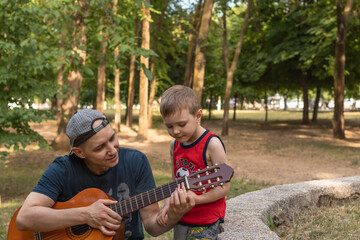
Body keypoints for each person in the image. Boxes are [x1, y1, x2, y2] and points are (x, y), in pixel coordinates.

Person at [15, 109, 195, 239]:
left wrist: (173, 215)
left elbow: (153, 227)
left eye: (112, 138)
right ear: (79, 153)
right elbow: (24, 219)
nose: (112, 149)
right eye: (100, 147)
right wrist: (86, 215)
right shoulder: (63, 169)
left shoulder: (136, 162)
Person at [157, 85, 230, 240]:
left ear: (198, 116)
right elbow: (174, 182)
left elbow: (224, 187)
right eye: (169, 126)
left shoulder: (212, 145)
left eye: (182, 124)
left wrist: (196, 199)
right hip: (181, 217)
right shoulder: (174, 145)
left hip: (206, 220)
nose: (175, 131)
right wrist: (167, 205)